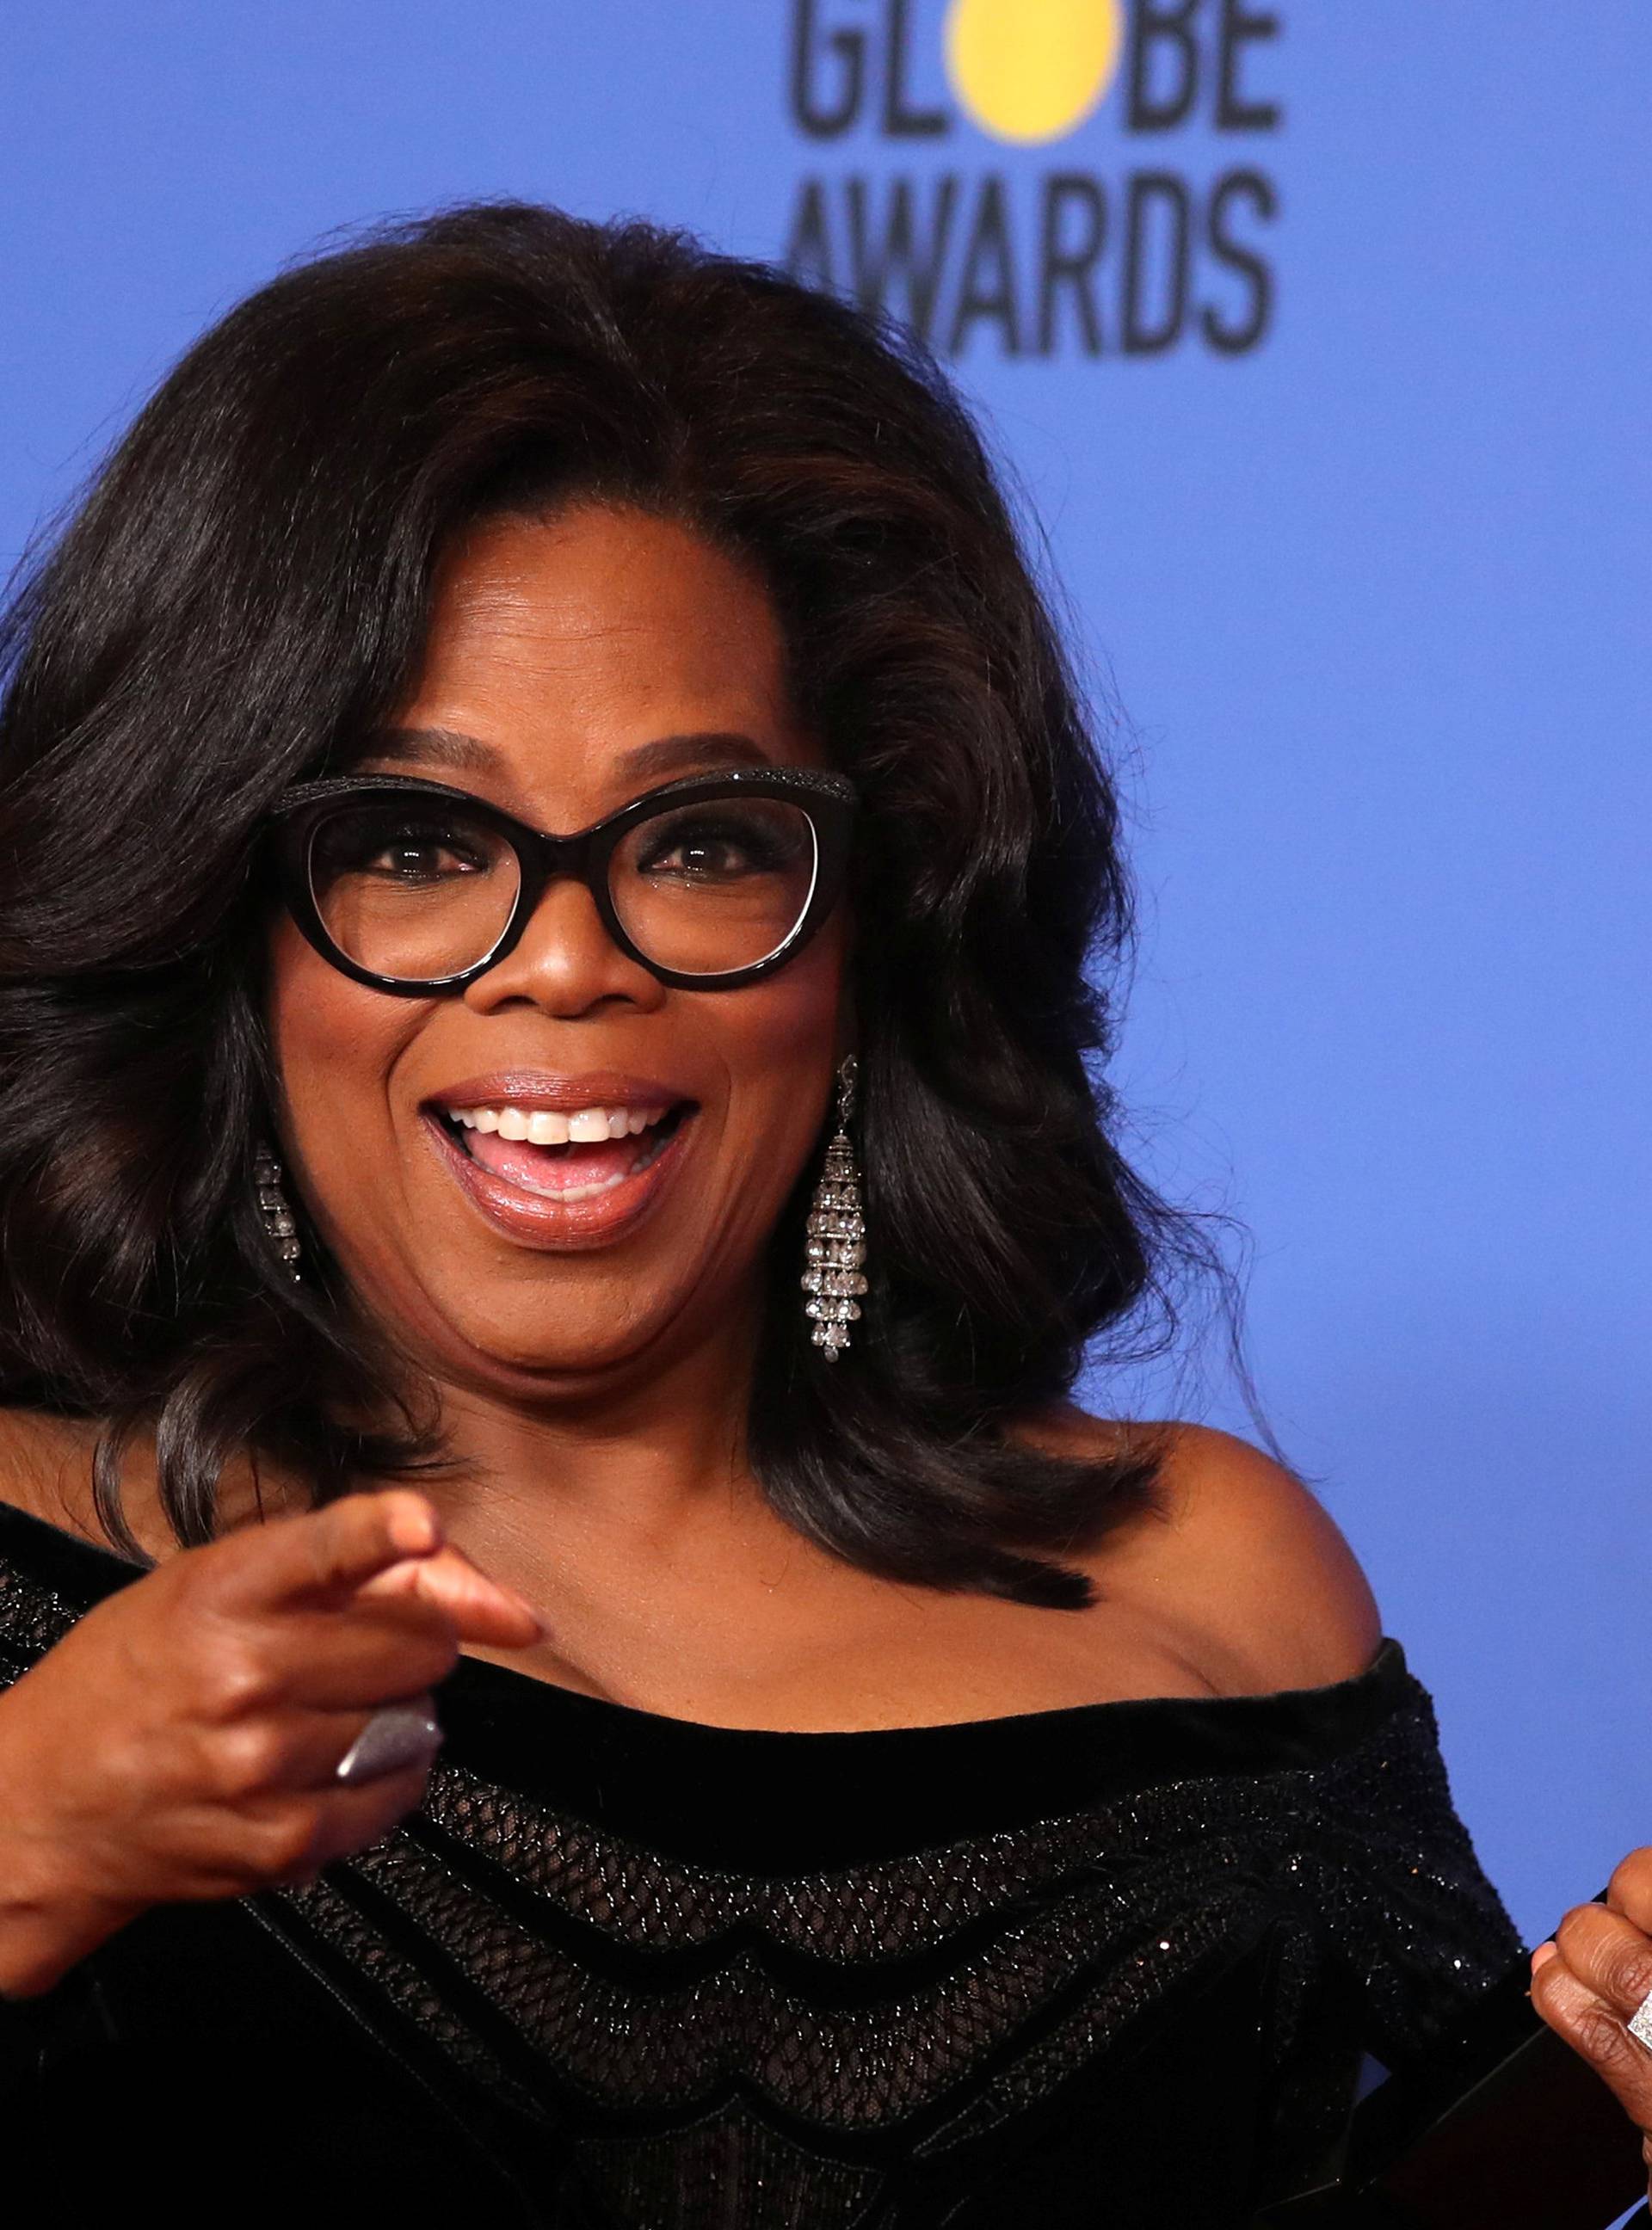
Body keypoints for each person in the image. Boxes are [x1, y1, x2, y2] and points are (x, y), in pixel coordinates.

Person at [0, 200, 1550, 2225]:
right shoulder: (34, 1602)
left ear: (871, 937)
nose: (562, 965)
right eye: (411, 840)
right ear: (221, 928)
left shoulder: (1216, 1600)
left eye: (707, 842)